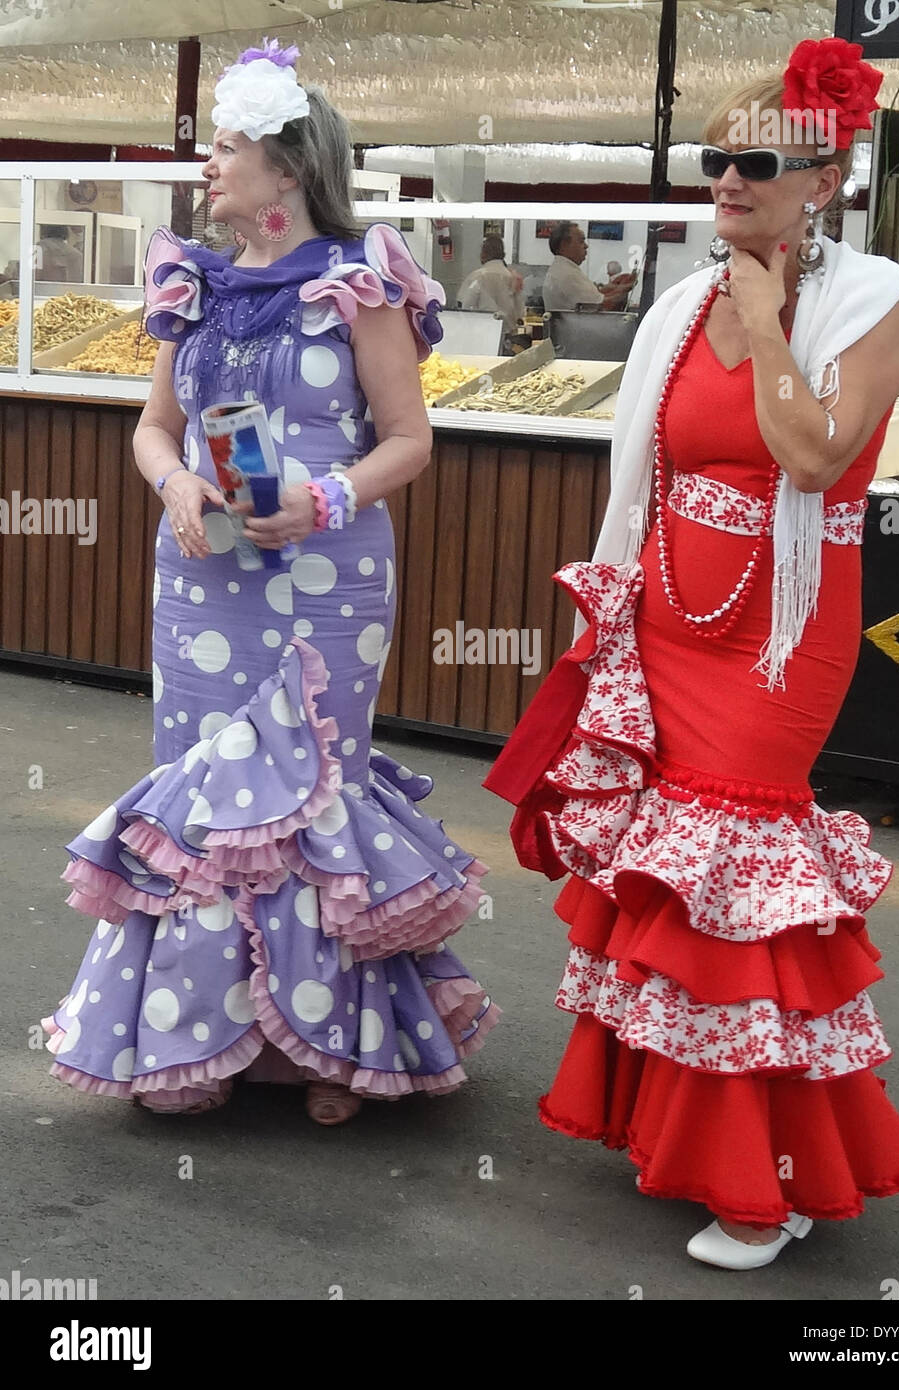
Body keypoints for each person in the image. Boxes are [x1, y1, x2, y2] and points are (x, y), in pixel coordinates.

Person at [485, 36, 899, 1268]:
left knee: (736, 876)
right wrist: (609, 622)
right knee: (667, 882)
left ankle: (765, 1180)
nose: (725, 182)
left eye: (754, 164)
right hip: (670, 617)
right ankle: (675, 1130)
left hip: (780, 640)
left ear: (819, 183)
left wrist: (763, 316)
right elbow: (645, 475)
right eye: (712, 161)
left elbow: (813, 457)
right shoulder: (674, 310)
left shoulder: (868, 296)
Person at [41, 37, 498, 1124]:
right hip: (203, 578)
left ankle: (328, 1047)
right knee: (204, 787)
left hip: (329, 575)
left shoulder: (359, 278)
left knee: (311, 788)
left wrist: (321, 502)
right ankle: (202, 1039)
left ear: (287, 169)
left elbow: (407, 440)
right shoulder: (189, 283)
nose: (209, 165)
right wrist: (175, 488)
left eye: (230, 147)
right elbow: (155, 429)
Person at [542, 222, 635, 312]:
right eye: (581, 241)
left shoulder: (564, 269)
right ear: (564, 245)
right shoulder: (567, 274)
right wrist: (624, 288)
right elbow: (600, 306)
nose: (586, 246)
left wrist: (612, 286)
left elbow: (594, 297)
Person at [456, 234, 524, 336]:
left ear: (483, 254)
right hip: (508, 336)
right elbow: (520, 313)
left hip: (482, 335)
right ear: (502, 254)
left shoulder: (477, 277)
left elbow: (465, 308)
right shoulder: (513, 278)